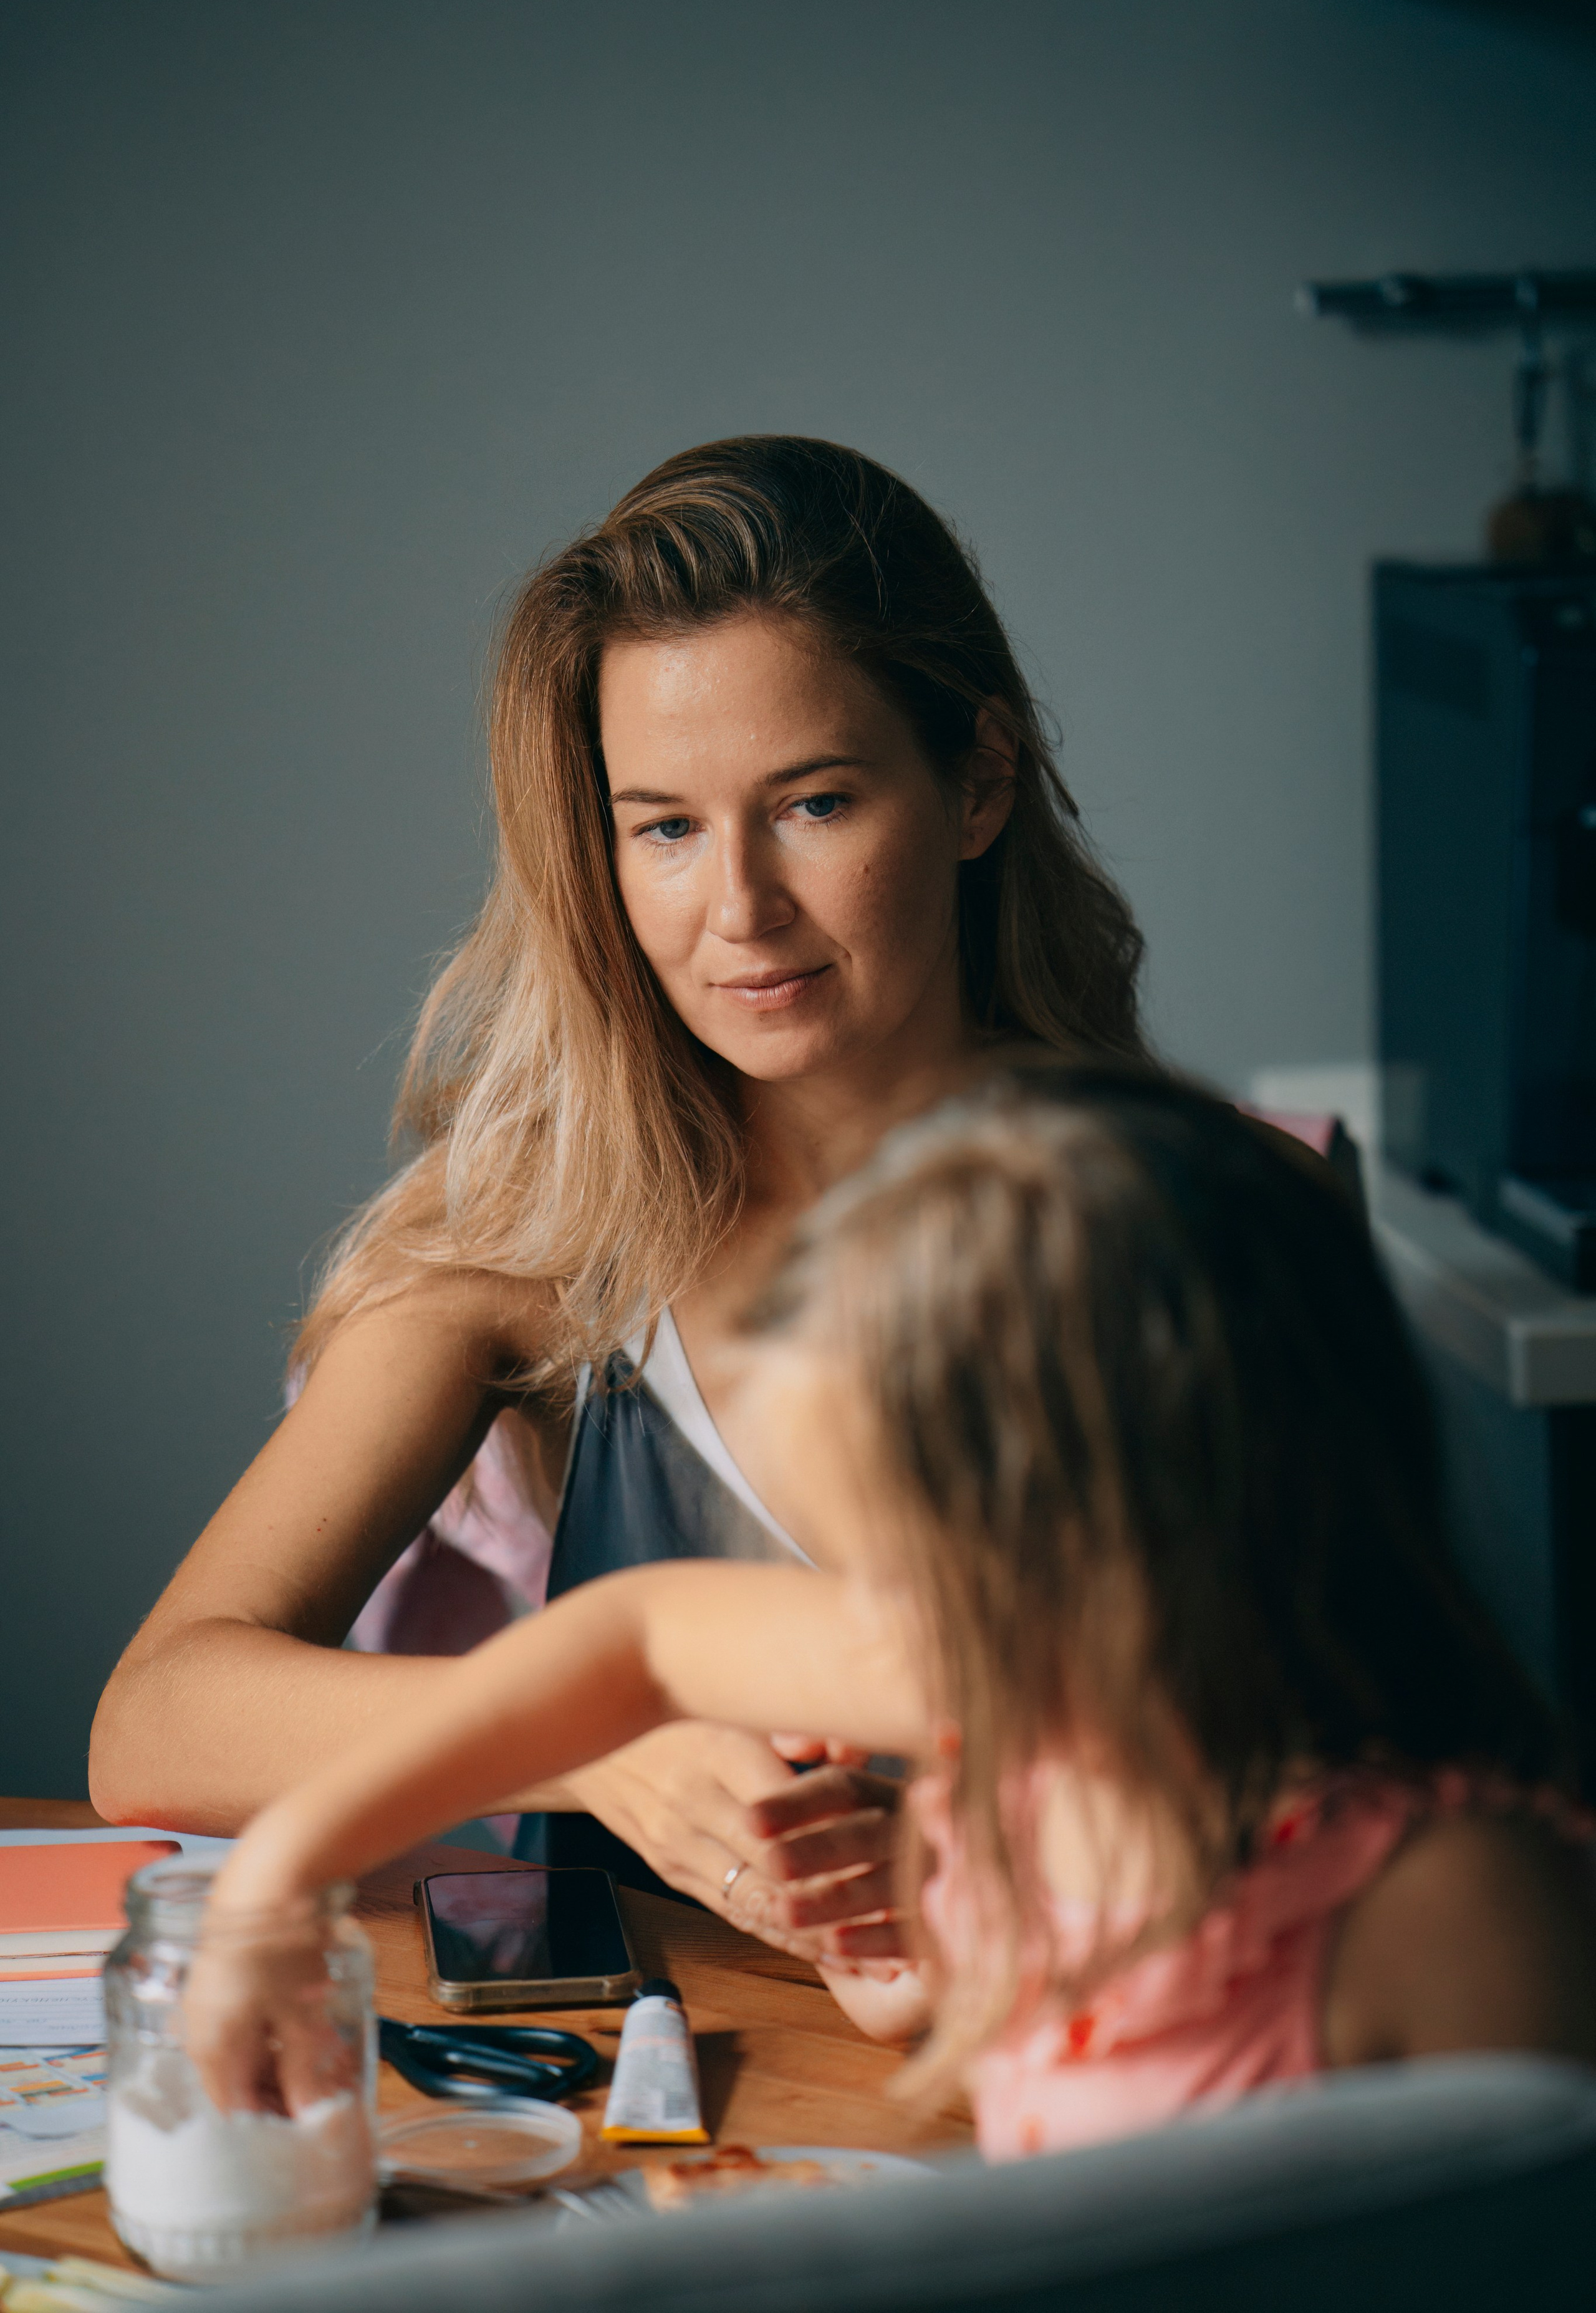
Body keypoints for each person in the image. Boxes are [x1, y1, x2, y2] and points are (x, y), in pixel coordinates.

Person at [89, 438, 1146, 1984]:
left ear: (976, 781)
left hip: (1094, 2081)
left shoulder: (1210, 1215)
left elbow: (1348, 1767)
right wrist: (582, 1745)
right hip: (653, 2111)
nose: (738, 907)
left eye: (815, 802)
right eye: (662, 826)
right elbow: (155, 1718)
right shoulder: (541, 1229)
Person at [187, 1067, 1596, 2146]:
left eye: (899, 1564)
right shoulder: (1028, 1725)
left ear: (1139, 1542)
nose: (856, 1622)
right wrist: (271, 1879)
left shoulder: (1455, 1907)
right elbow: (634, 1639)